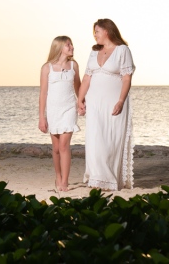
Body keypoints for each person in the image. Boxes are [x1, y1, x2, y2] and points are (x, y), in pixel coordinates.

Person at [77, 19, 135, 190]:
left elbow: (126, 78)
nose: (95, 35)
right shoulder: (94, 52)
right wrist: (80, 99)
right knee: (94, 139)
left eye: (97, 31)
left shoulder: (122, 50)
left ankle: (109, 179)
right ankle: (96, 178)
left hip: (113, 102)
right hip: (94, 102)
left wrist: (121, 101)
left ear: (107, 31)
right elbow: (87, 78)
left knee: (111, 139)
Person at [38, 36, 81, 192]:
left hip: (69, 108)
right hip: (53, 111)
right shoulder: (46, 68)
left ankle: (64, 181)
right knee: (56, 148)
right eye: (68, 45)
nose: (72, 47)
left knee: (64, 145)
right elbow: (43, 94)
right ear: (59, 47)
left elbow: (78, 86)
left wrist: (82, 102)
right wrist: (41, 117)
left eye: (71, 44)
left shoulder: (73, 65)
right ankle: (58, 175)